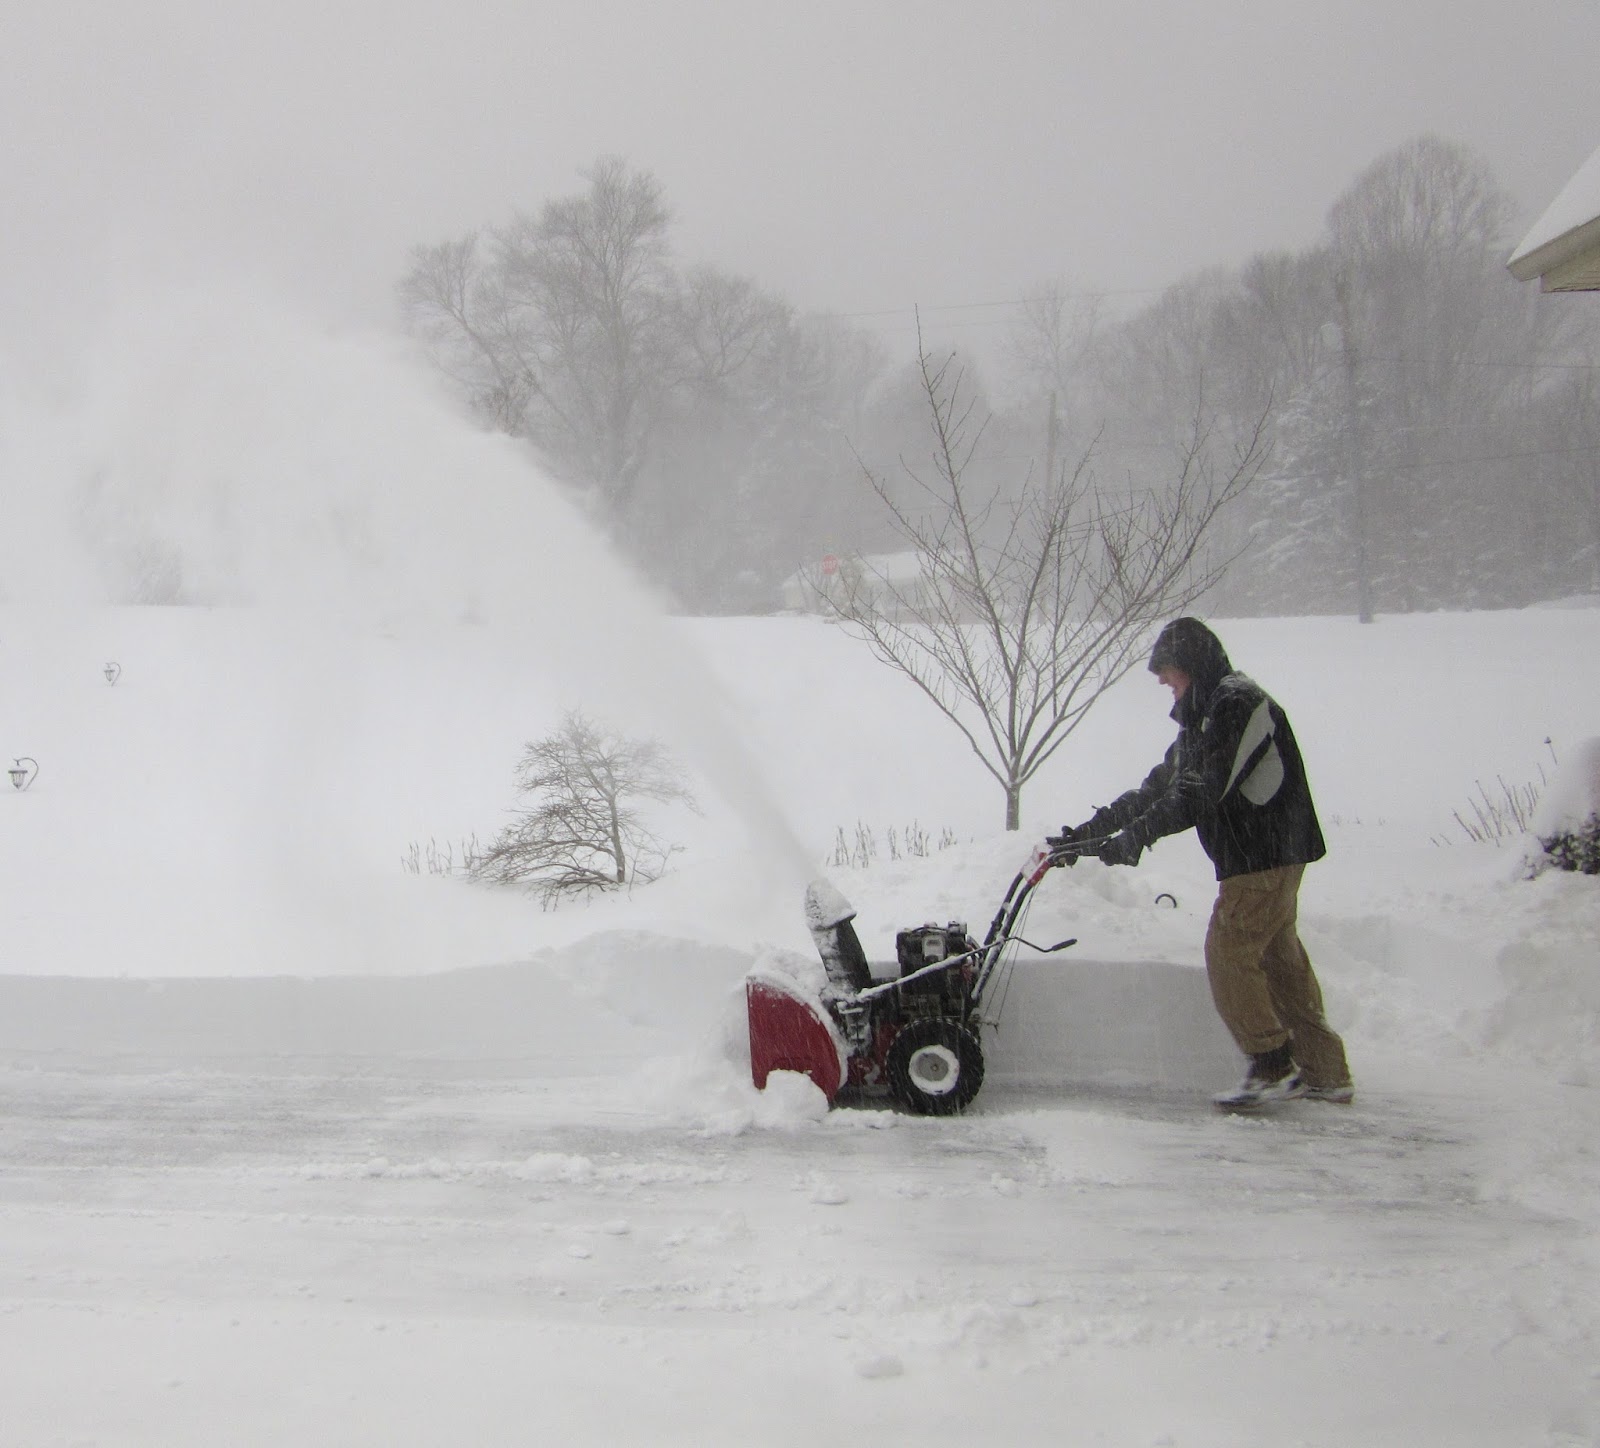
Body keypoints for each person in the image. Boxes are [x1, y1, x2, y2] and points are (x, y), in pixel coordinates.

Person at [1068, 617, 1353, 1109]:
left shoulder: (1237, 705)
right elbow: (1159, 787)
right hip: (1266, 855)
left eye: (1168, 672)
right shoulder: (1206, 715)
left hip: (1263, 855)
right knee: (1278, 962)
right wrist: (1091, 832)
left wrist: (1136, 839)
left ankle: (1271, 1063)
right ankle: (1325, 1073)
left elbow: (1200, 791)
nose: (1164, 682)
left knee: (1229, 952)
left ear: (1192, 664)